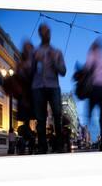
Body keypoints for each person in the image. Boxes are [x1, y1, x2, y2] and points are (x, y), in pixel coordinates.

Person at [32, 23, 66, 154]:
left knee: (57, 115)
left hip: (53, 87)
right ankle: (42, 146)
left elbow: (63, 71)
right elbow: (30, 71)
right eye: (44, 32)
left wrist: (54, 62)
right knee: (40, 118)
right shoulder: (35, 52)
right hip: (38, 87)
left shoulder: (57, 52)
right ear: (40, 34)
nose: (47, 34)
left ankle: (59, 145)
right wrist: (34, 62)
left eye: (48, 32)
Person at [85, 38, 102, 151]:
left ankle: (90, 126)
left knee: (89, 112)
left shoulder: (91, 55)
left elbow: (87, 71)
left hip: (94, 88)